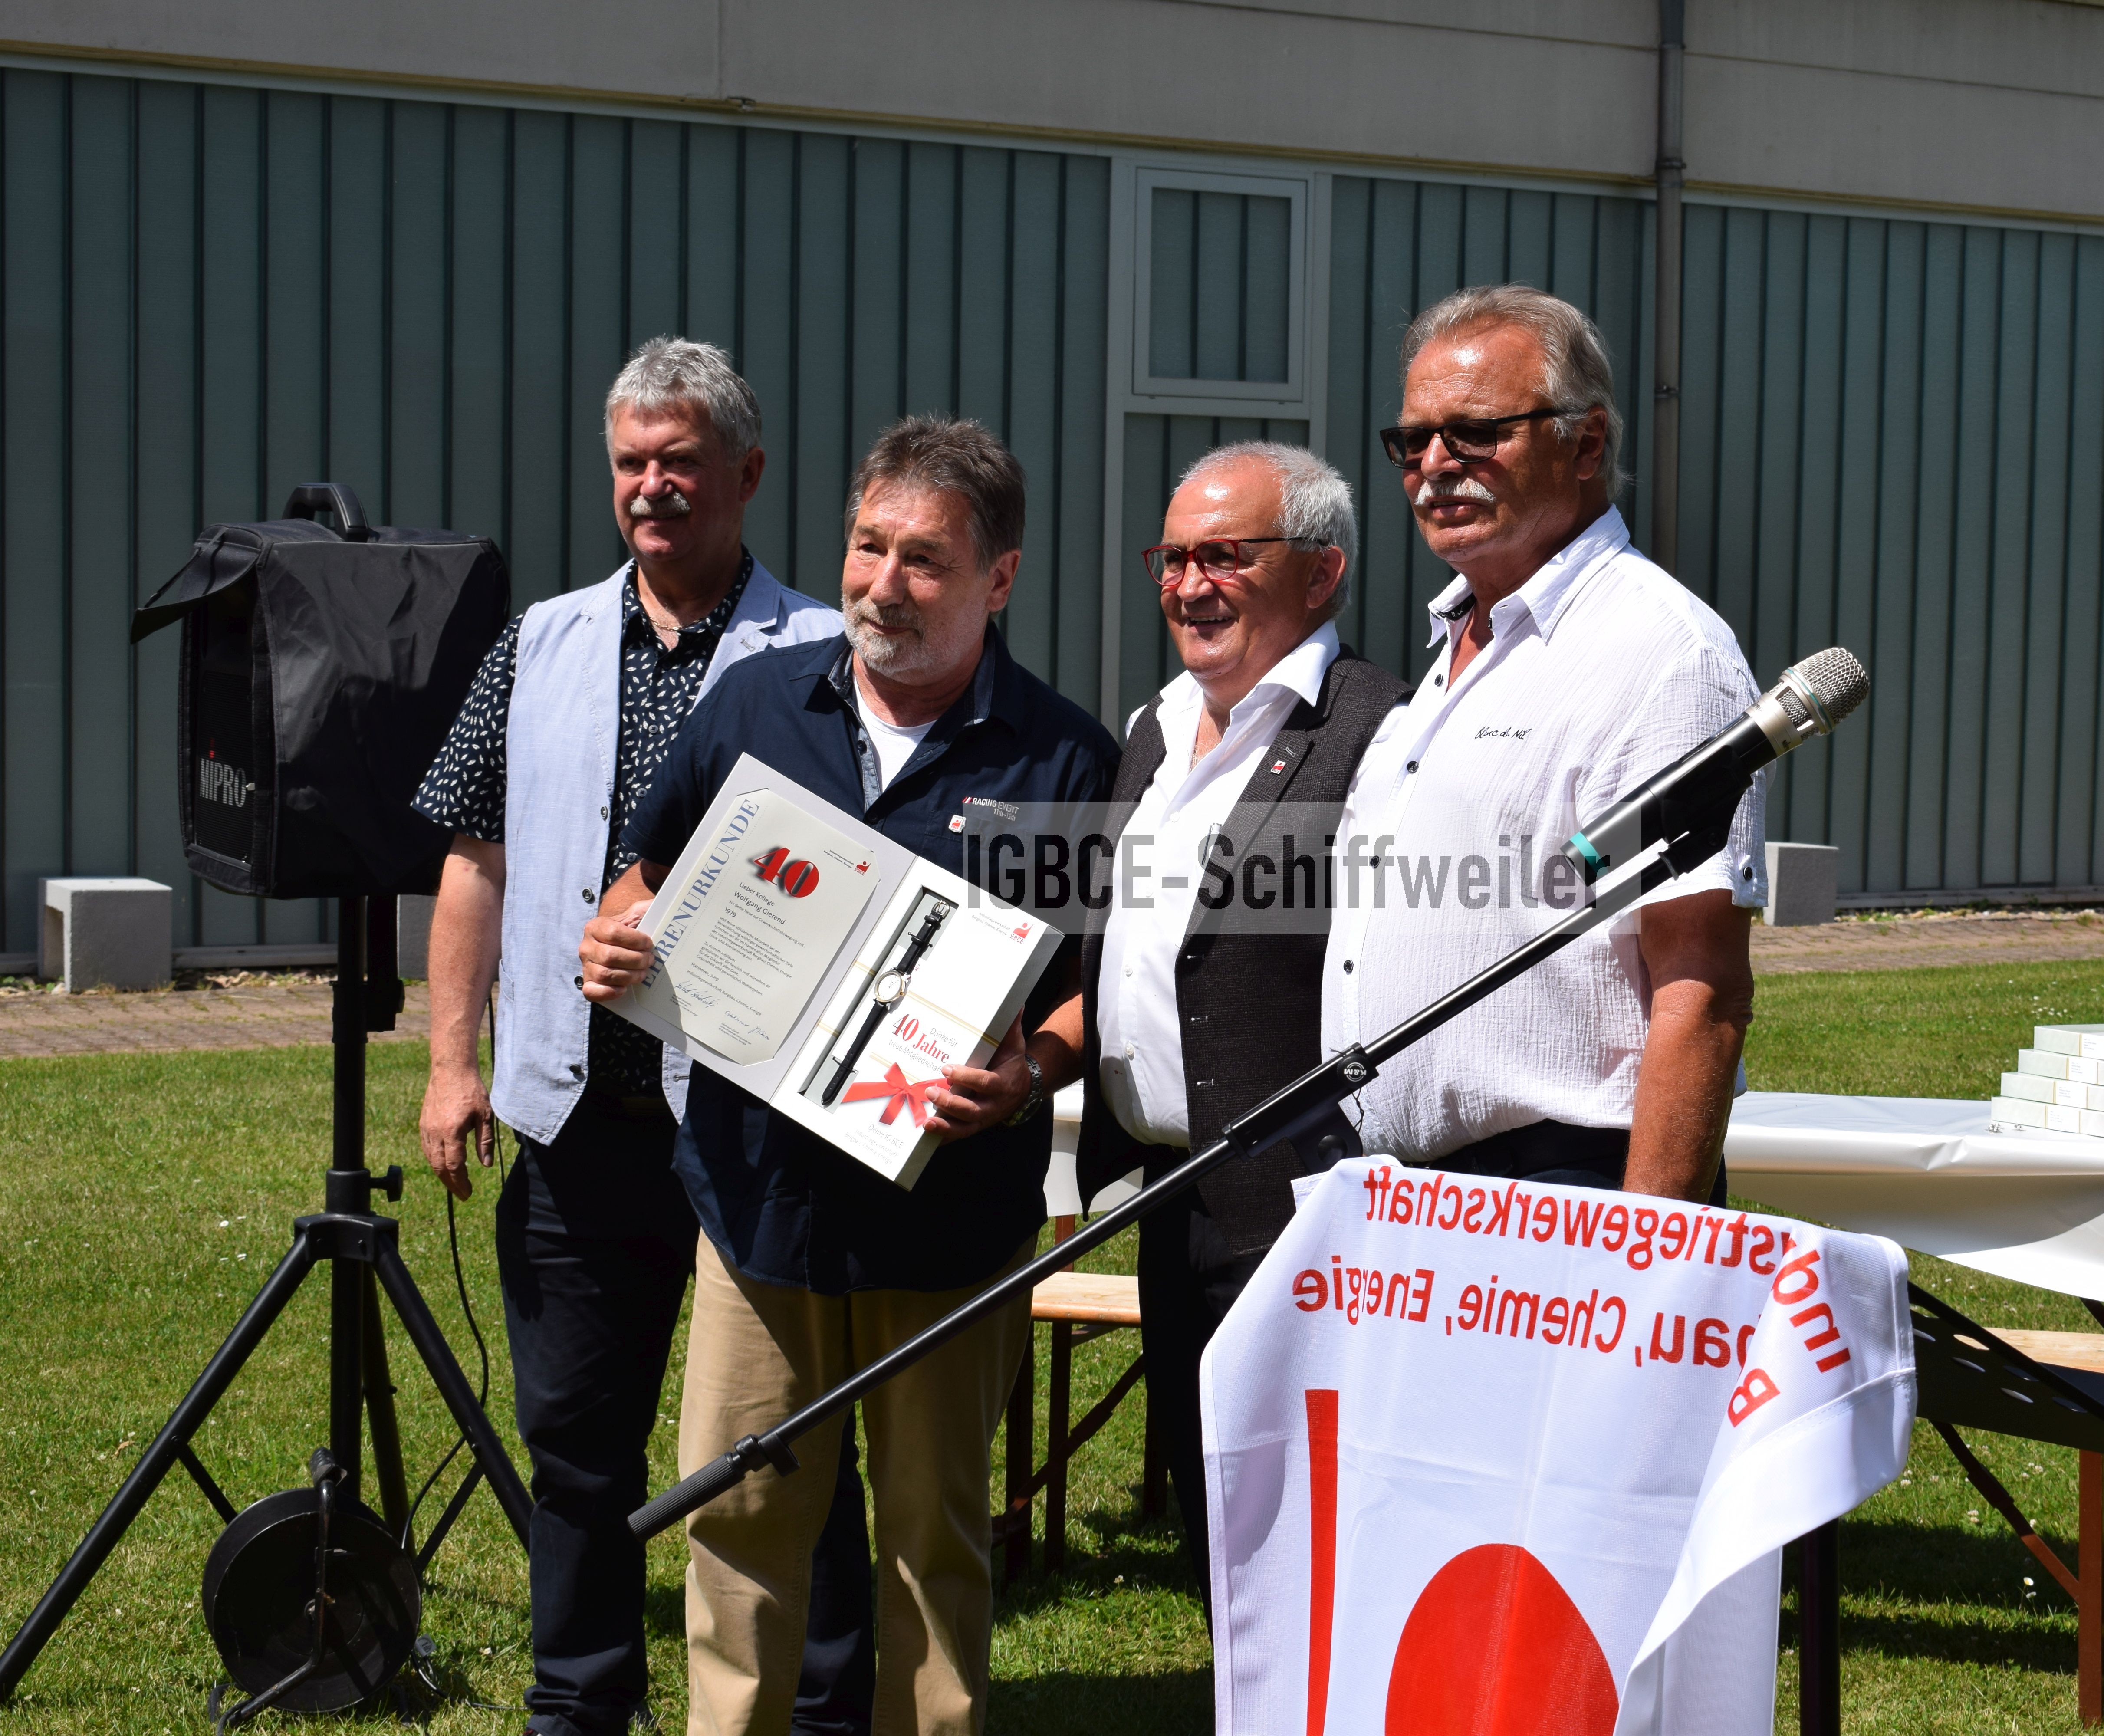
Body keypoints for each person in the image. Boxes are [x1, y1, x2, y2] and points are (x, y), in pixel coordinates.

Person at [576, 416, 1118, 1736]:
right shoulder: (757, 706)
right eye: (869, 546)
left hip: (948, 1226)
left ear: (1000, 578)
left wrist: (1032, 1072)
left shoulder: (1063, 759)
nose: (883, 584)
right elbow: (648, 876)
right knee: (739, 1521)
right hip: (757, 1210)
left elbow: (1096, 985)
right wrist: (616, 933)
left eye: (925, 560)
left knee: (934, 1545)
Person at [411, 337, 877, 1736]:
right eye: (631, 463)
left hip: (757, 1127)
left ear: (747, 472)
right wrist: (451, 1063)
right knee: (576, 1445)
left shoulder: (827, 652)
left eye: (681, 461)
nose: (652, 487)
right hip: (575, 1118)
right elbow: (475, 860)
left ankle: (822, 1706)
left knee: (789, 1443)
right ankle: (581, 1703)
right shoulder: (541, 640)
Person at [1322, 284, 1765, 1201]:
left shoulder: (1659, 652)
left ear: (1586, 443)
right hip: (1404, 1189)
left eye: (1476, 432)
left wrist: (1644, 1252)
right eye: (1414, 440)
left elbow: (1702, 986)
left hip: (1570, 1189)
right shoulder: (1461, 647)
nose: (1435, 466)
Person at [1078, 443, 1407, 1589]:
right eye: (1173, 559)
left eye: (1225, 556)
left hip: (1302, 1214)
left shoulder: (1378, 731)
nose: (1189, 585)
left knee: (1311, 1542)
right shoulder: (1157, 726)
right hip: (1173, 1202)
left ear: (1321, 572)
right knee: (1222, 1536)